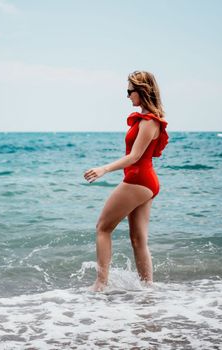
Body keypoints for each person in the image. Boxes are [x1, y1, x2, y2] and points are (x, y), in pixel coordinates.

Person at [83, 70, 169, 292]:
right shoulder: (147, 120)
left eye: (130, 91)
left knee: (103, 227)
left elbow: (134, 157)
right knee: (138, 240)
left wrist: (104, 168)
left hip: (138, 180)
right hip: (145, 181)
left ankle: (100, 284)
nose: (128, 95)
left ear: (142, 91)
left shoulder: (149, 122)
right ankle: (148, 289)